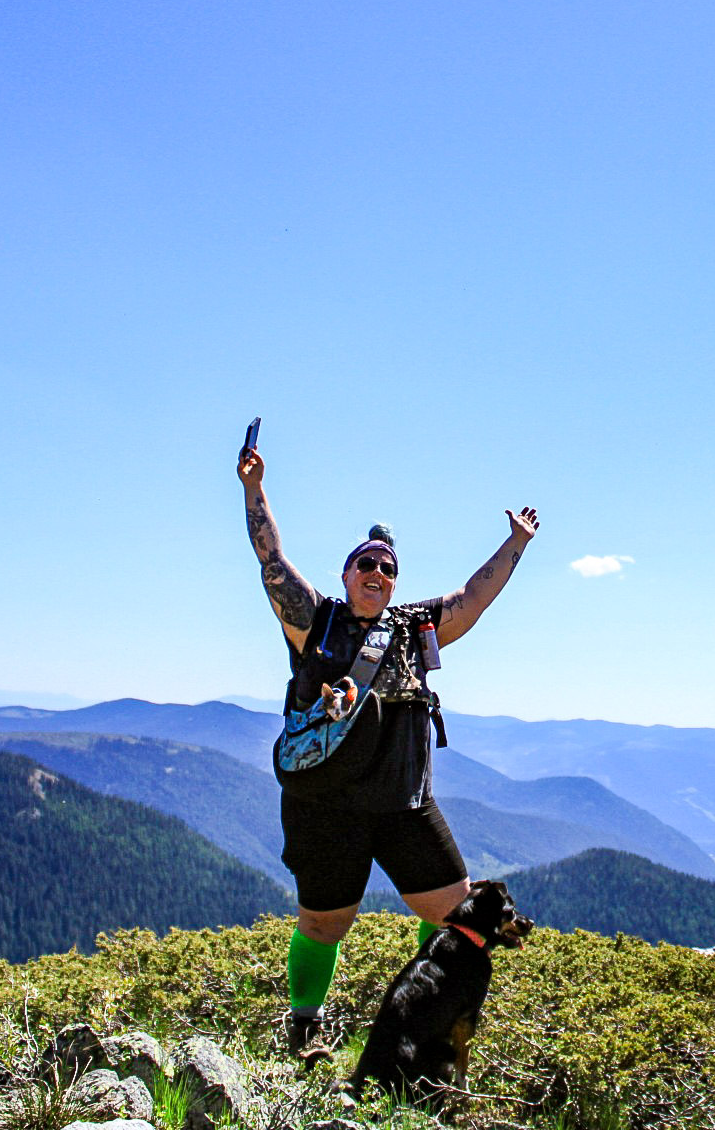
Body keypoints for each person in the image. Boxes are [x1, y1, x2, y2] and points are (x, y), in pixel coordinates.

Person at [238, 435, 539, 1054]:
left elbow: (473, 596)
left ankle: (424, 1023)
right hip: (327, 808)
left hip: (406, 806)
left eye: (387, 569)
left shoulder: (415, 628)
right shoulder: (315, 621)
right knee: (324, 923)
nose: (377, 574)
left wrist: (515, 543)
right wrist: (254, 488)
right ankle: (305, 1025)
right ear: (346, 574)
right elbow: (270, 558)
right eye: (365, 565)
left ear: (395, 583)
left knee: (459, 916)